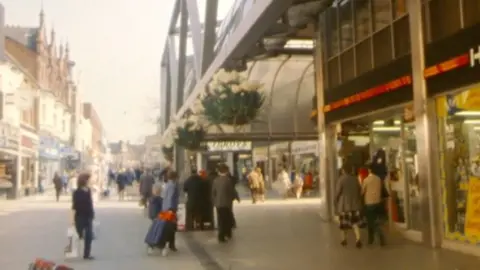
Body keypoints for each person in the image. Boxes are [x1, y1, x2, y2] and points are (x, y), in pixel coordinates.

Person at [335, 163, 364, 248]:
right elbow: (360, 190)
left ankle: (344, 240)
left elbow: (337, 193)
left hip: (344, 206)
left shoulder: (341, 179)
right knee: (355, 223)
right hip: (355, 204)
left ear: (343, 170)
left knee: (344, 223)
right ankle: (358, 239)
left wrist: (335, 201)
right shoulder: (355, 179)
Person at [71, 173, 95, 260]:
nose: (89, 182)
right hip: (79, 216)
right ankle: (81, 237)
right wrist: (72, 219)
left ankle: (87, 254)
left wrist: (92, 213)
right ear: (84, 181)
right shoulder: (76, 192)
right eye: (88, 180)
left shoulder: (88, 190)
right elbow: (74, 205)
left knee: (89, 236)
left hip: (88, 216)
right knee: (80, 233)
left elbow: (90, 203)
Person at [212, 164, 238, 243]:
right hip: (226, 203)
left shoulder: (215, 180)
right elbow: (230, 191)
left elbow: (213, 192)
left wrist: (214, 201)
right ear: (226, 171)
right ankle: (224, 234)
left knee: (220, 219)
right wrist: (234, 198)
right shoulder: (227, 180)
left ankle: (222, 234)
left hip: (218, 204)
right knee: (226, 219)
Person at [362, 165, 386, 246]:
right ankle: (370, 239)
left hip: (369, 203)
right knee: (375, 220)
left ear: (369, 170)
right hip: (378, 202)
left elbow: (362, 191)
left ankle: (378, 235)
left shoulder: (366, 180)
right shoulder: (378, 179)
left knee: (370, 222)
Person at [161, 170, 180, 253]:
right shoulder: (173, 185)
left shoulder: (166, 184)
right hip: (170, 209)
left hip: (165, 208)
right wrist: (171, 209)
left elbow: (164, 196)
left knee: (165, 226)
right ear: (175, 177)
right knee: (172, 227)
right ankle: (171, 244)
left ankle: (164, 243)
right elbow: (171, 198)